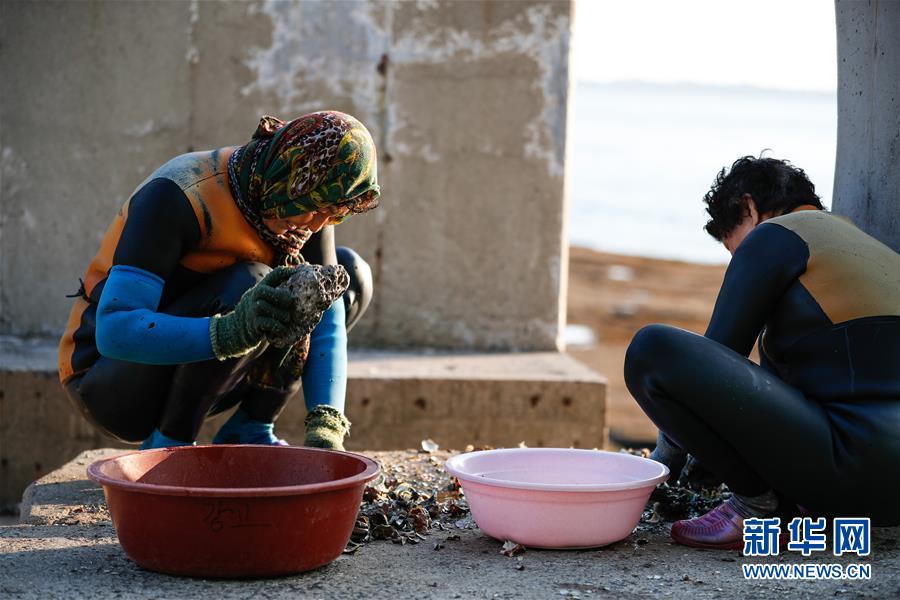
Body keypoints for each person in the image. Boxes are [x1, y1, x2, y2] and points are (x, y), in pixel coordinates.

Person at [57, 111, 378, 451]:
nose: (315, 225)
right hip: (112, 384)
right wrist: (230, 331)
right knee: (252, 283)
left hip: (212, 374)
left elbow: (326, 314)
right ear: (290, 173)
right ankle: (170, 444)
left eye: (332, 214)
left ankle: (251, 425)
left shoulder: (304, 203)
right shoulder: (179, 195)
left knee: (347, 275)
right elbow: (115, 332)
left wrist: (326, 424)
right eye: (315, 208)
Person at [624, 155, 900, 549]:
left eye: (734, 248)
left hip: (854, 467)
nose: (739, 261)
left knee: (652, 350)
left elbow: (716, 356)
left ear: (749, 208)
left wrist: (662, 463)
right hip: (889, 492)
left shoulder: (775, 235)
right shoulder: (864, 247)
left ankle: (758, 508)